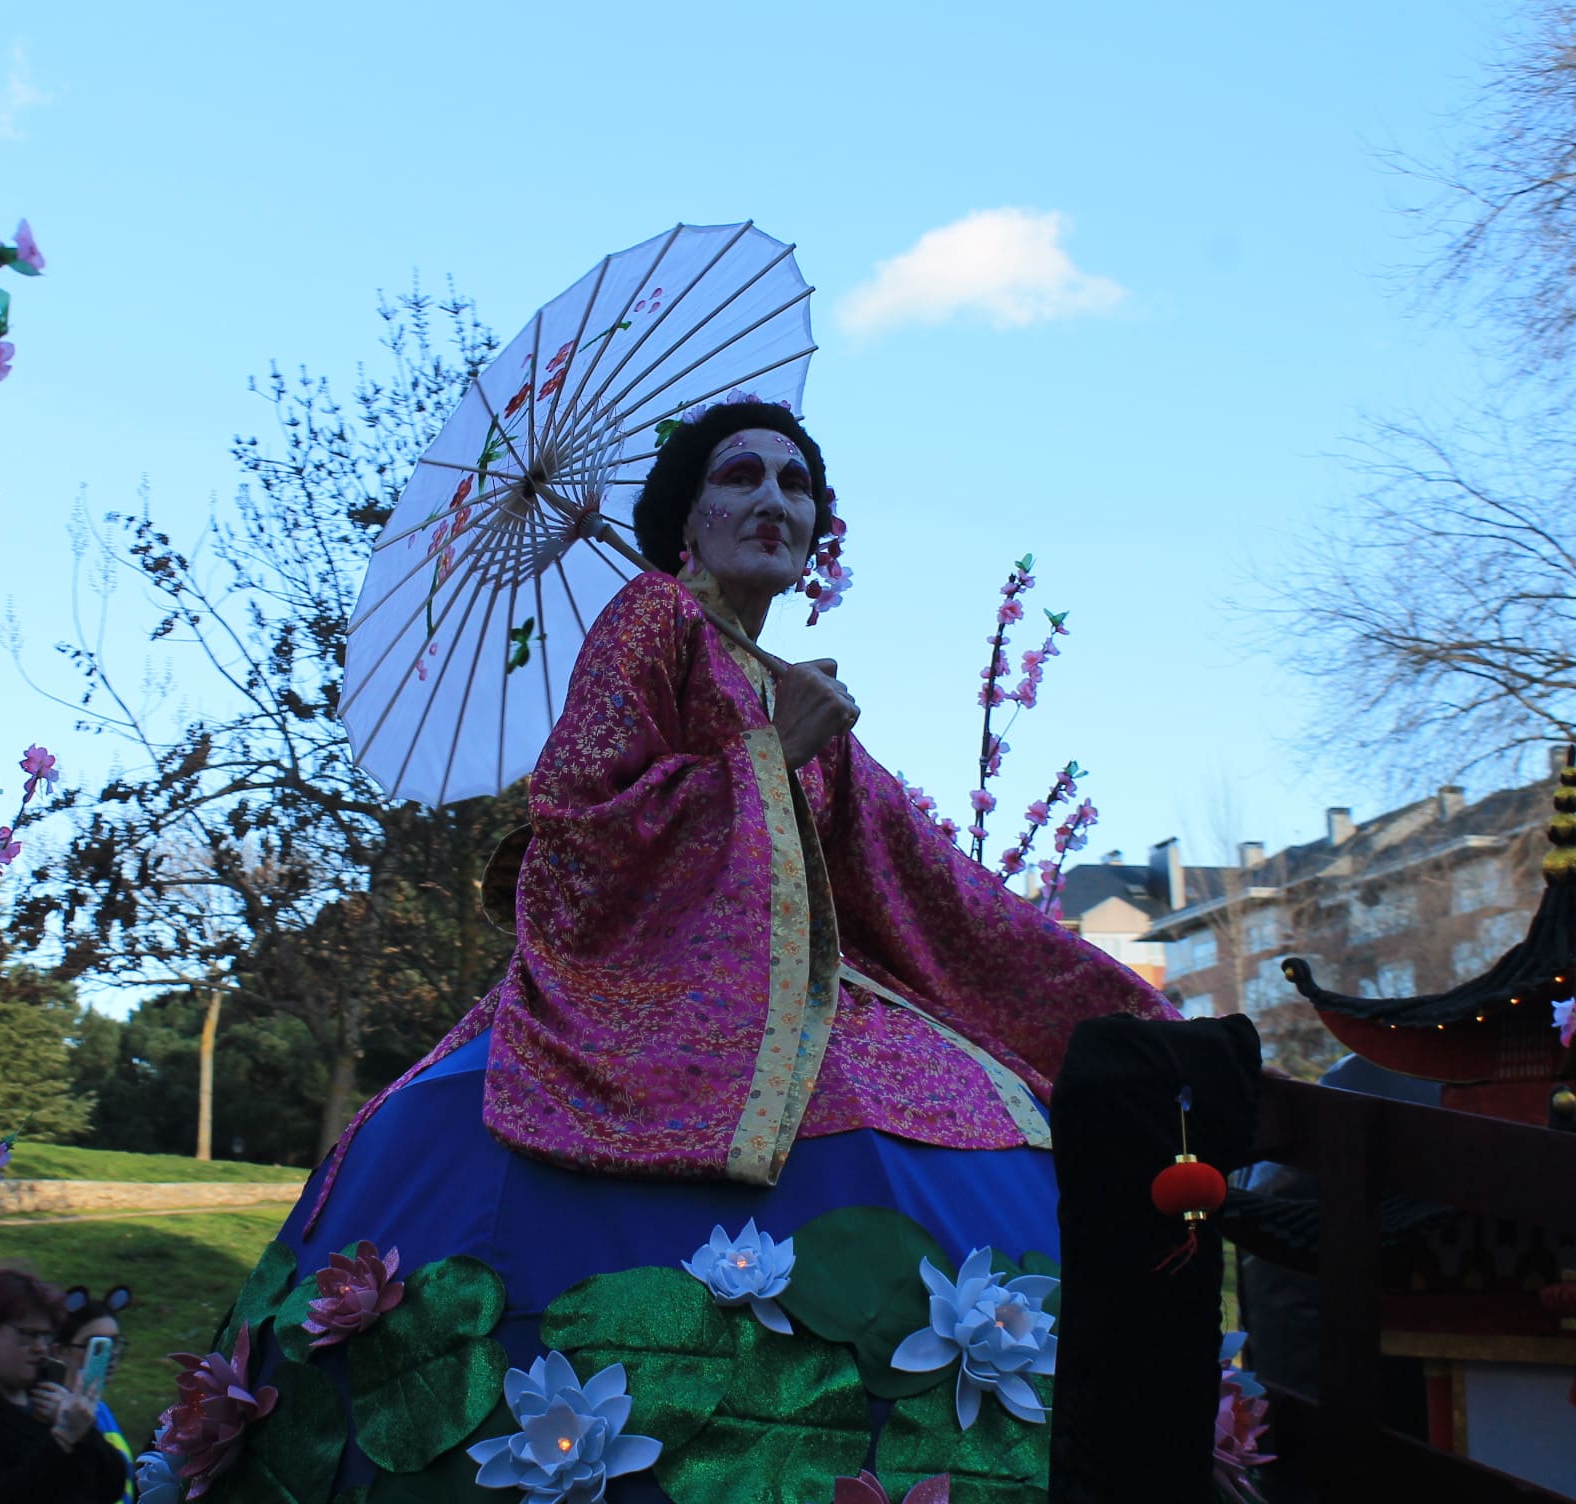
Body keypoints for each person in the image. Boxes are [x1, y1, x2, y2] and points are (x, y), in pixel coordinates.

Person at [187, 400, 1180, 1497]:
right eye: (740, 476)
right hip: (631, 1002)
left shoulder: (791, 683)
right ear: (687, 518)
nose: (771, 499)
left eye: (795, 484)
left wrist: (1128, 1021)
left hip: (829, 1005)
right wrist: (769, 753)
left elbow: (934, 892)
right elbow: (577, 827)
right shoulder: (651, 618)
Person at [0, 1266, 125, 1504]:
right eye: (28, 1334)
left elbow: (112, 1486)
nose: (41, 1347)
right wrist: (63, 1438)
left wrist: (84, 1434)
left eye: (45, 1336)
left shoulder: (48, 1399)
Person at [53, 1287, 135, 1504]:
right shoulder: (51, 1411)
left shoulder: (101, 1410)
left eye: (114, 1343)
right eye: (96, 1345)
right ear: (60, 1352)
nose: (110, 1355)